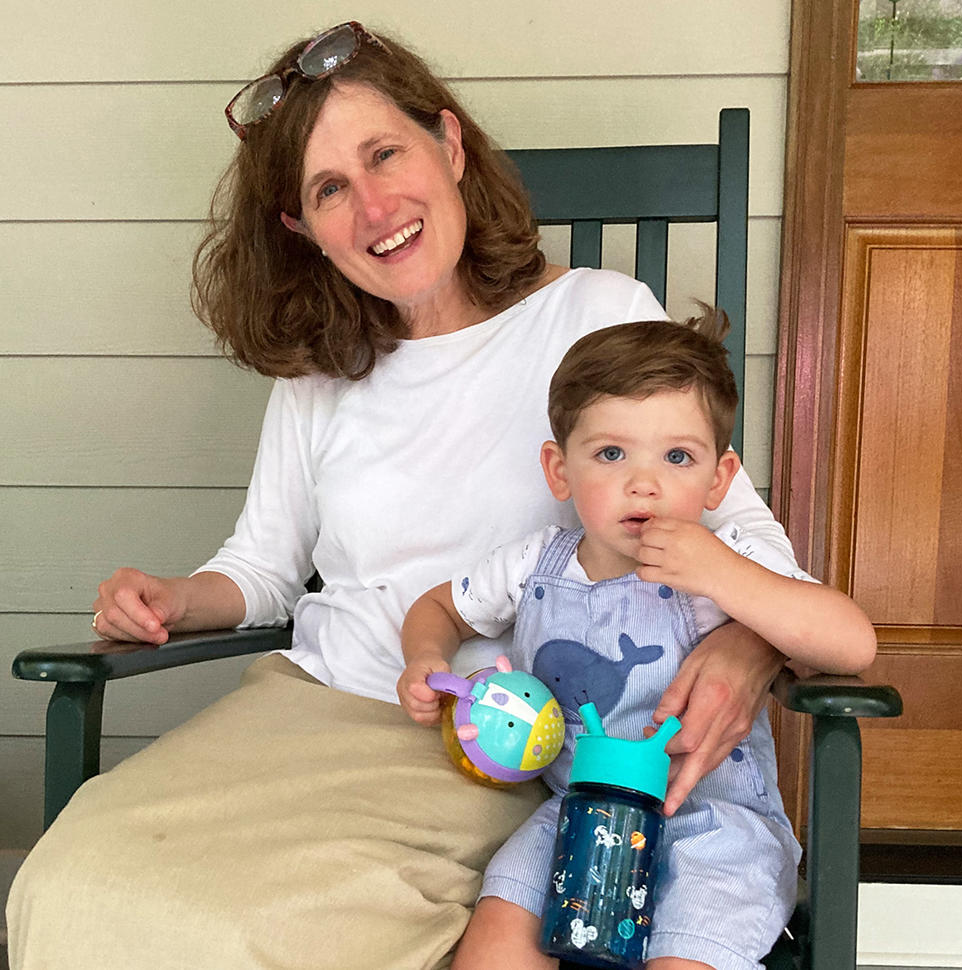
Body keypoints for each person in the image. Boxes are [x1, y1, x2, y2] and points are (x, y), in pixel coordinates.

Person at [9, 22, 807, 970]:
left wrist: (747, 643)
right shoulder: (319, 371)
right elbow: (261, 570)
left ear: (452, 143)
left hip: (488, 744)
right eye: (329, 188)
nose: (375, 205)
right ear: (301, 231)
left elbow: (747, 540)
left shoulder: (596, 314)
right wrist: (177, 599)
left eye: (385, 152)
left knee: (267, 933)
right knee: (72, 884)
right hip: (304, 710)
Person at [397, 313, 876, 970]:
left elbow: (852, 644)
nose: (643, 482)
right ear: (559, 470)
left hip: (715, 827)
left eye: (677, 456)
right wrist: (425, 657)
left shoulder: (731, 559)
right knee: (497, 940)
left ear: (719, 478)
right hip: (576, 812)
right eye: (611, 454)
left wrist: (725, 576)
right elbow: (438, 609)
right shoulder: (535, 564)